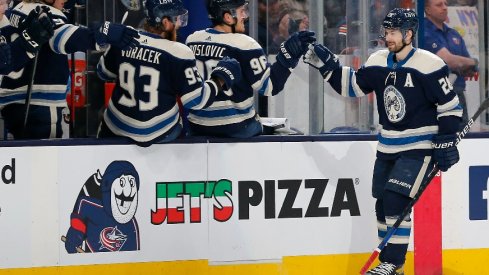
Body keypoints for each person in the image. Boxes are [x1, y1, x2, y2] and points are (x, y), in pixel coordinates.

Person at [304, 8, 461, 275]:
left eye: (393, 32)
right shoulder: (378, 60)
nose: (387, 37)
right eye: (386, 31)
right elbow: (352, 86)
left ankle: (392, 262)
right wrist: (327, 65)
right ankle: (391, 266)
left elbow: (451, 107)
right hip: (387, 146)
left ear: (409, 34)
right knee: (382, 205)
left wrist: (446, 141)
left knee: (395, 200)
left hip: (418, 147)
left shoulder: (429, 64)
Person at [96, 0, 241, 147]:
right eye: (178, 19)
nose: (179, 24)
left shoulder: (125, 38)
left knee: (108, 119)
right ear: (165, 22)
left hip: (118, 127)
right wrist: (220, 78)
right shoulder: (179, 52)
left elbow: (102, 73)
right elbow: (196, 100)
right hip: (161, 132)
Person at [0, 0, 140, 140]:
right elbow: (64, 38)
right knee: (47, 160)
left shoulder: (16, 10)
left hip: (11, 107)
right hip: (42, 108)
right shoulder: (45, 12)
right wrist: (100, 34)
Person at [185, 0, 315, 138]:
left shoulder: (192, 40)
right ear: (228, 17)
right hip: (236, 127)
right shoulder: (245, 44)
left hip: (197, 127)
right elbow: (270, 86)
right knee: (286, 131)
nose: (245, 17)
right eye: (242, 11)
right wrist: (288, 56)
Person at [424, 0, 478, 129]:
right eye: (439, 5)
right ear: (427, 10)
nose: (444, 8)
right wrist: (474, 62)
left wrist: (466, 64)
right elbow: (450, 60)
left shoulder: (454, 34)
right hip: (435, 98)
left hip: (458, 96)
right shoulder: (423, 33)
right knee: (440, 141)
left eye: (446, 4)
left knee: (463, 140)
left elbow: (469, 68)